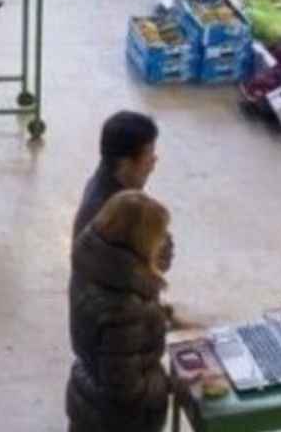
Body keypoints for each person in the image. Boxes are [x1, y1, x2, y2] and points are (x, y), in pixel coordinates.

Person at [67, 190, 172, 432]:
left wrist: (158, 316)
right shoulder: (124, 310)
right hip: (119, 422)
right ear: (141, 244)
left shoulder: (93, 266)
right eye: (159, 237)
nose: (164, 241)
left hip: (87, 399)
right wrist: (170, 383)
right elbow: (125, 390)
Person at [73, 111, 159, 239]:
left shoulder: (106, 180)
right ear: (125, 163)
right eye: (149, 153)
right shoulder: (117, 215)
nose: (155, 159)